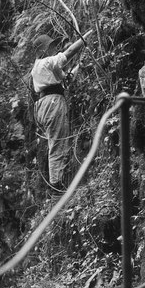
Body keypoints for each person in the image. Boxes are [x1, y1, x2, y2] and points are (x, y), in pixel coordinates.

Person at [31, 29, 93, 193]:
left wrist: (79, 67)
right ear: (42, 50)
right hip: (52, 103)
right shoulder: (45, 63)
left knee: (57, 142)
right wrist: (85, 38)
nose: (53, 49)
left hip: (44, 104)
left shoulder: (41, 68)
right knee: (58, 143)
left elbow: (65, 81)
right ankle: (56, 186)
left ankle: (58, 182)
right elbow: (70, 52)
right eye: (50, 46)